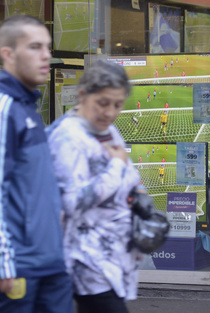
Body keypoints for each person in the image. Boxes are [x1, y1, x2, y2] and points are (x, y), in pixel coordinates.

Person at [0, 15, 73, 313]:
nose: (46, 56)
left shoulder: (26, 105)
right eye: (35, 47)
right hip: (16, 266)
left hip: (49, 261)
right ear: (8, 54)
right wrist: (4, 258)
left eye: (48, 47)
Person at [47, 60, 143, 313]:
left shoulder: (106, 129)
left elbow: (127, 174)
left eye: (118, 105)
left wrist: (139, 222)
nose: (110, 112)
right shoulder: (67, 137)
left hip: (111, 255)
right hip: (85, 259)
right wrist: (116, 168)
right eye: (103, 103)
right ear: (83, 95)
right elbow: (74, 201)